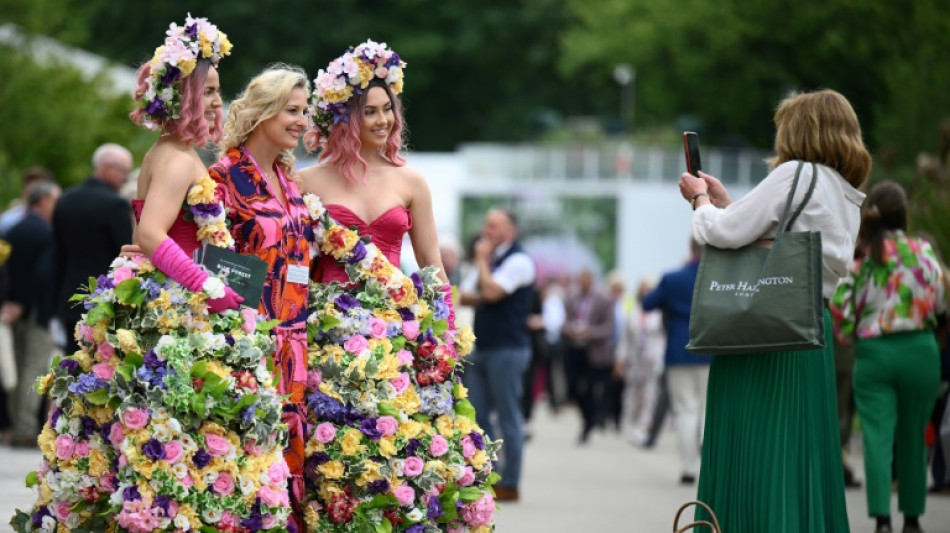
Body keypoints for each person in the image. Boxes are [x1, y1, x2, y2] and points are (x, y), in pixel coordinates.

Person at [13, 16, 294, 533]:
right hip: (179, 308)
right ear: (183, 97)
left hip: (174, 294)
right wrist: (208, 284)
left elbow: (147, 233)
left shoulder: (176, 155)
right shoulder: (175, 158)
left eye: (216, 91)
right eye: (207, 91)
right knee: (177, 438)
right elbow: (151, 235)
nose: (216, 102)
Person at [299, 40, 498, 528]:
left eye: (388, 109)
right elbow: (296, 265)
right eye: (370, 111)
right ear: (345, 117)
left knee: (399, 443)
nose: (384, 120)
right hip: (329, 331)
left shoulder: (411, 183)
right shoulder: (307, 184)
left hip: (397, 336)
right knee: (336, 445)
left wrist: (445, 337)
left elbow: (433, 269)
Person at [679, 89, 871, 532]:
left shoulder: (795, 173)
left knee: (755, 442)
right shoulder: (846, 192)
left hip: (762, 329)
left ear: (800, 131)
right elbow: (778, 235)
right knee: (800, 449)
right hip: (808, 323)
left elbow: (723, 234)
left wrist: (701, 201)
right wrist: (728, 203)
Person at [208, 64, 314, 529]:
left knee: (291, 464)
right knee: (248, 462)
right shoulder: (223, 177)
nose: (301, 121)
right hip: (249, 345)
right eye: (292, 111)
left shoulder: (290, 180)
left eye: (304, 111)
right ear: (263, 112)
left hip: (295, 344)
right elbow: (204, 259)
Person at [830, 182, 945, 533]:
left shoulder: (863, 257)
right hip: (920, 351)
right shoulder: (924, 252)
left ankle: (882, 520)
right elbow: (940, 301)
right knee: (913, 434)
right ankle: (912, 519)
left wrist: (850, 334)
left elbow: (839, 305)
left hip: (875, 353)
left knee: (877, 437)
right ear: (903, 214)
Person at [458, 208, 536, 501]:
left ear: (509, 230)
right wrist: (486, 284)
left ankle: (511, 482)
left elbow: (490, 294)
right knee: (478, 415)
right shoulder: (493, 261)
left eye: (493, 226)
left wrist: (481, 263)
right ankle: (490, 473)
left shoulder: (519, 260)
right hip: (485, 346)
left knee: (508, 416)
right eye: (486, 224)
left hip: (509, 348)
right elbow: (463, 294)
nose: (486, 230)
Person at [52, 143, 134, 356]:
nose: (125, 178)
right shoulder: (115, 205)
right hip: (103, 299)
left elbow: (57, 253)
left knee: (72, 361)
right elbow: (125, 253)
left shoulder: (65, 200)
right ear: (107, 167)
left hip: (69, 296)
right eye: (123, 172)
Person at [640, 239, 710, 484]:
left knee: (685, 411)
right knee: (706, 410)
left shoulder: (673, 278)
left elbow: (647, 303)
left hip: (678, 351)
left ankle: (689, 466)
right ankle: (707, 462)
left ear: (690, 249)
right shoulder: (717, 277)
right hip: (711, 350)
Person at [1, 181, 60, 448]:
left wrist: (12, 302)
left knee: (17, 365)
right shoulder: (45, 232)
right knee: (33, 367)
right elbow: (40, 275)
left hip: (13, 309)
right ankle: (25, 427)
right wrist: (25, 303)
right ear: (44, 201)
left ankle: (15, 424)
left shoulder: (14, 229)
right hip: (36, 310)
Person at [563, 270, 616, 444]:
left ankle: (589, 422)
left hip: (593, 352)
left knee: (590, 389)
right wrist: (570, 329)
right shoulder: (572, 299)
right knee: (573, 387)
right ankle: (588, 417)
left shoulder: (603, 300)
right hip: (574, 349)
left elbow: (609, 327)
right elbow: (564, 321)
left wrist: (590, 332)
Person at [615, 277, 665, 446]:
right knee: (632, 394)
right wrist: (620, 359)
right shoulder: (634, 312)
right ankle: (631, 423)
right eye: (644, 289)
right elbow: (625, 338)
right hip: (635, 360)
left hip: (653, 359)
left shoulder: (659, 313)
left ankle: (644, 427)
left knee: (650, 396)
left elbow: (663, 338)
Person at [0, 167, 55, 236]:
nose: (33, 194)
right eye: (28, 188)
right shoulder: (10, 219)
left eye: (36, 189)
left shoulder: (53, 219)